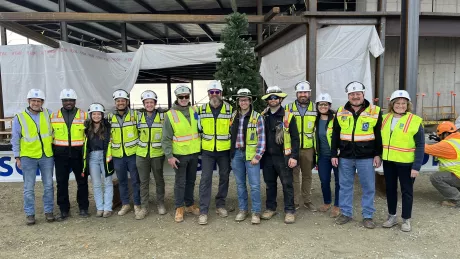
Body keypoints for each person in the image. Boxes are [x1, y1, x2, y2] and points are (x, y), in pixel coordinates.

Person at [331, 81, 382, 229]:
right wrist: (334, 153)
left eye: (358, 94)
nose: (355, 97)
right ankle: (346, 213)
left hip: (366, 156)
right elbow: (335, 134)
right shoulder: (341, 111)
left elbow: (379, 135)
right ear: (348, 96)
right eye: (352, 94)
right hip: (345, 156)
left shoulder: (375, 111)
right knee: (345, 186)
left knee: (368, 187)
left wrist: (378, 154)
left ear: (363, 94)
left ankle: (367, 216)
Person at [381, 90, 424, 232]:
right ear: (392, 104)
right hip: (389, 162)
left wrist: (416, 166)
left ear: (408, 105)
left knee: (407, 191)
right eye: (397, 103)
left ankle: (406, 219)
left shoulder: (415, 121)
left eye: (403, 103)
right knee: (390, 190)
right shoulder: (384, 118)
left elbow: (420, 145)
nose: (400, 106)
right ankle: (392, 216)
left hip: (407, 164)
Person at [12, 89, 55, 225]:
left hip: (46, 155)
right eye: (33, 101)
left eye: (38, 101)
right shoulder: (19, 117)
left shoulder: (48, 114)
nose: (36, 103)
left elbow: (54, 131)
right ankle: (30, 214)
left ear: (42, 102)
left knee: (48, 185)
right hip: (28, 157)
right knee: (29, 187)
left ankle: (49, 211)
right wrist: (17, 156)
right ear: (28, 101)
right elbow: (15, 138)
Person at [260, 86, 300, 224]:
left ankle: (289, 210)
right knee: (270, 184)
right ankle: (271, 208)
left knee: (287, 184)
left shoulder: (288, 116)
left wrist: (294, 156)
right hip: (267, 157)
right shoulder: (262, 116)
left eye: (275, 97)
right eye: (270, 98)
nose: (273, 100)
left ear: (280, 99)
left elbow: (295, 138)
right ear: (267, 100)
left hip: (284, 157)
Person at [162, 85, 201, 223]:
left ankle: (189, 204)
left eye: (186, 97)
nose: (184, 99)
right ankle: (179, 208)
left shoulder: (195, 110)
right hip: (179, 155)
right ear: (177, 98)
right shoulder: (170, 114)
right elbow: (166, 138)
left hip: (194, 153)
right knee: (180, 182)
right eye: (181, 97)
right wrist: (169, 156)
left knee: (191, 181)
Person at [197, 80, 233, 225]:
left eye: (217, 92)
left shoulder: (230, 110)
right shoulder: (201, 110)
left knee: (224, 177)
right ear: (208, 94)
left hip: (224, 150)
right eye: (211, 93)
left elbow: (234, 130)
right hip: (207, 151)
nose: (214, 95)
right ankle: (203, 211)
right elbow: (197, 129)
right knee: (205, 179)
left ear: (221, 94)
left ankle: (220, 205)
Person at [51, 89, 89, 220]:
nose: (68, 103)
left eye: (71, 100)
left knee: (82, 181)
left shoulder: (84, 115)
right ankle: (63, 209)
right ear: (62, 101)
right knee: (61, 183)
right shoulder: (53, 116)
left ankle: (83, 207)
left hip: (78, 154)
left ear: (75, 101)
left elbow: (89, 134)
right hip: (60, 155)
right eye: (66, 100)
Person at [230, 88, 265, 224]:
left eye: (246, 100)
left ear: (250, 101)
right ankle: (243, 210)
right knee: (240, 184)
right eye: (241, 100)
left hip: (251, 156)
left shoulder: (257, 117)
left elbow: (262, 138)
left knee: (255, 185)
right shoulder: (233, 116)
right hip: (236, 154)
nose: (243, 102)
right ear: (238, 102)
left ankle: (256, 212)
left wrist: (258, 155)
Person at [285, 81, 317, 211]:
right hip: (293, 148)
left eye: (305, 92)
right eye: (300, 92)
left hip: (308, 148)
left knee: (307, 175)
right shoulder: (288, 108)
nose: (303, 95)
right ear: (297, 94)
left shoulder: (315, 108)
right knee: (294, 175)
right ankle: (296, 201)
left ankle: (307, 200)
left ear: (309, 93)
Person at [108, 89, 141, 217]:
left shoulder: (136, 115)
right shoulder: (110, 118)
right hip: (118, 155)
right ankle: (125, 204)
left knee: (135, 181)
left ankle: (137, 204)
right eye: (118, 101)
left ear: (127, 101)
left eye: (123, 100)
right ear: (115, 103)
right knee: (121, 181)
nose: (120, 103)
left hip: (133, 154)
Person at [135, 90, 167, 220]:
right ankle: (144, 207)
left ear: (155, 103)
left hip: (157, 154)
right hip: (142, 154)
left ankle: (160, 204)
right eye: (146, 102)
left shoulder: (162, 117)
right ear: (143, 104)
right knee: (143, 181)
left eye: (151, 102)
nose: (149, 104)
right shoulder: (138, 117)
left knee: (159, 180)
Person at [82, 103, 114, 218]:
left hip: (106, 156)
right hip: (92, 157)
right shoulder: (86, 128)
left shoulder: (107, 126)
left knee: (108, 183)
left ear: (102, 115)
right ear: (91, 115)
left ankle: (107, 208)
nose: (96, 116)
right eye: (94, 114)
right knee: (96, 184)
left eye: (99, 114)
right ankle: (99, 208)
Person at [314, 93, 340, 218]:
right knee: (324, 180)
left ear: (329, 105)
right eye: (320, 104)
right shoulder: (315, 120)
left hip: (337, 155)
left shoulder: (337, 118)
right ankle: (327, 202)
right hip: (322, 156)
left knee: (339, 181)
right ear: (317, 106)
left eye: (325, 104)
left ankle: (337, 205)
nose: (323, 106)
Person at [425, 121, 460, 208]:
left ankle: (457, 200)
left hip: (457, 175)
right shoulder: (457, 140)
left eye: (440, 135)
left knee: (436, 178)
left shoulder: (447, 144)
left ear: (445, 134)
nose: (439, 137)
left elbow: (426, 149)